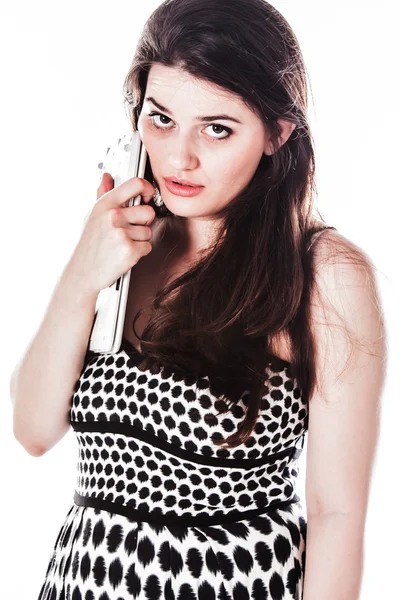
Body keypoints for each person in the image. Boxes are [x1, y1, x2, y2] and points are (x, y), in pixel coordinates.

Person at [10, 0, 386, 599]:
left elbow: (338, 515)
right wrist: (83, 273)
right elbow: (32, 430)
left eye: (217, 129)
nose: (180, 157)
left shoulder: (322, 274)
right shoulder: (124, 241)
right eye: (161, 119)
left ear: (277, 132)